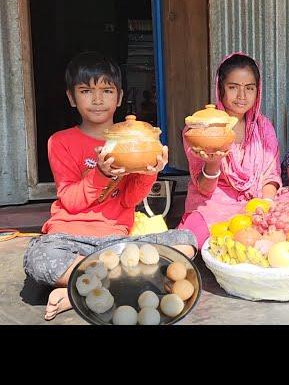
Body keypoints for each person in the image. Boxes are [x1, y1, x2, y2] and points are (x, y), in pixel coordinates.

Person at [22, 51, 197, 321]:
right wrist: (101, 174)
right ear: (71, 97)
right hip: (68, 238)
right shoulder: (60, 142)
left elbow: (129, 201)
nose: (97, 99)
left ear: (119, 96)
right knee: (39, 257)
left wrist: (149, 172)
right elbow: (70, 200)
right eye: (86, 91)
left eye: (106, 90)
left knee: (186, 242)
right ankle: (116, 284)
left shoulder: (131, 140)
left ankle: (81, 288)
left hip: (117, 242)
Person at [178, 52, 282, 249]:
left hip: (256, 200)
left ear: (257, 91)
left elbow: (271, 176)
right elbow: (204, 188)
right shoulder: (202, 129)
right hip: (215, 203)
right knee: (192, 239)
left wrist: (266, 202)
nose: (242, 96)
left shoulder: (263, 127)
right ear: (220, 89)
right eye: (233, 87)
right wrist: (213, 162)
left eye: (249, 88)